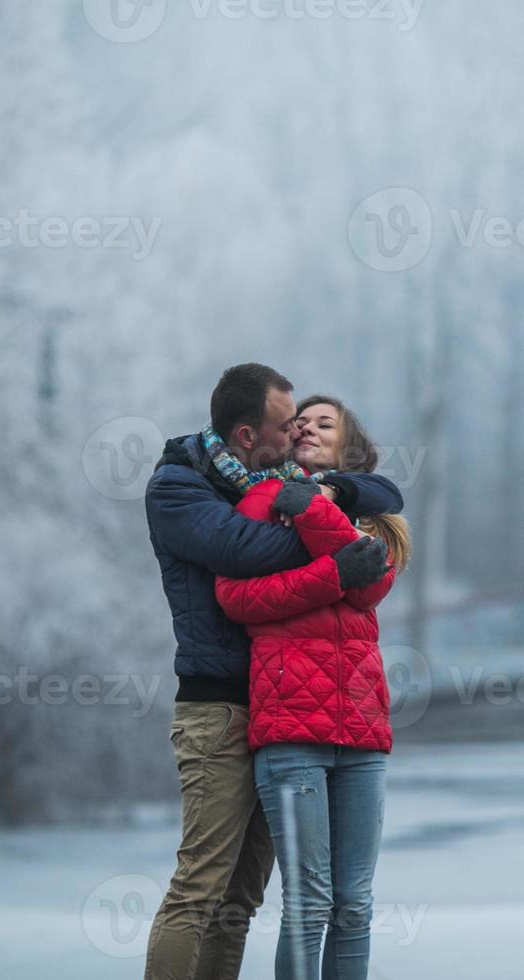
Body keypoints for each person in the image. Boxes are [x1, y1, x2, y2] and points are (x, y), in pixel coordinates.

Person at [144, 366, 403, 980]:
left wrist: (329, 500)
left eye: (306, 425)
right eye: (286, 424)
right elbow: (243, 555)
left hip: (271, 709)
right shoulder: (178, 489)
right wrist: (338, 548)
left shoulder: (269, 483)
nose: (295, 434)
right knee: (201, 888)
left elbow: (386, 492)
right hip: (218, 709)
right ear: (244, 434)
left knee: (241, 900)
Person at [214, 394, 410, 980]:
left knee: (354, 904)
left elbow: (370, 587)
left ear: (347, 444)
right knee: (310, 902)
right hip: (291, 729)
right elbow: (236, 599)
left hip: (362, 729)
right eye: (300, 421)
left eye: (326, 423)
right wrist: (329, 568)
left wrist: (314, 505)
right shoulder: (260, 500)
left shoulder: (375, 519)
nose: (308, 429)